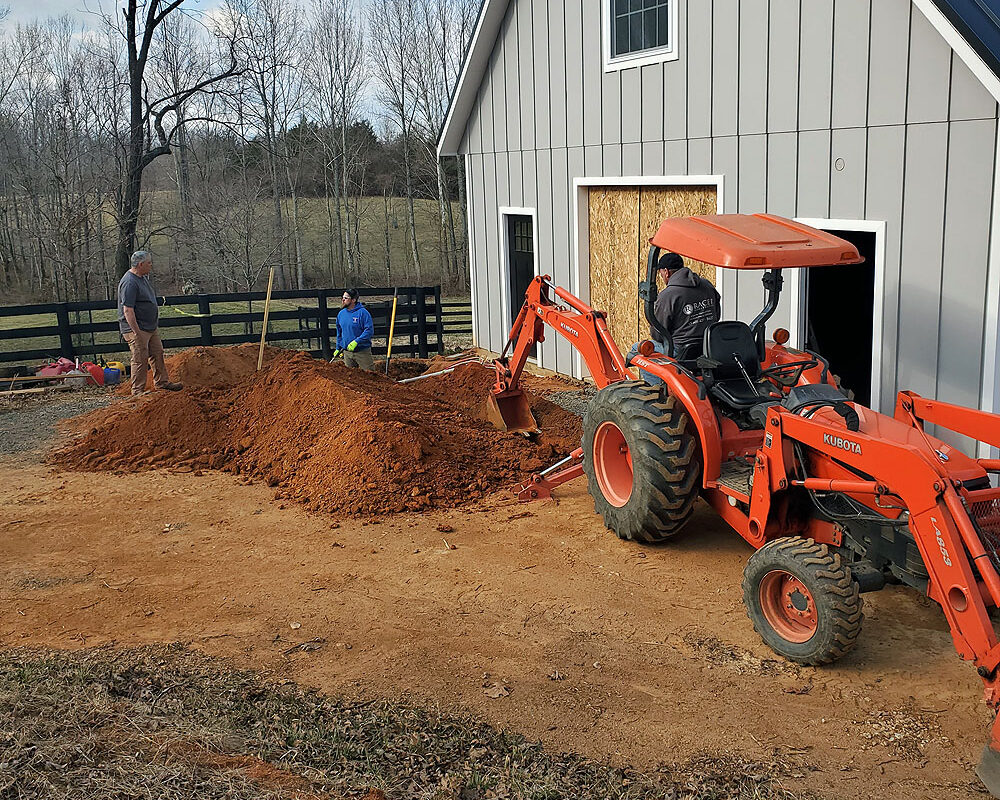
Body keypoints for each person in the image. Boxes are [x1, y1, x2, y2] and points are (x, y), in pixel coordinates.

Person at [117, 251, 183, 396]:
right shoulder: (129, 282)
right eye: (149, 263)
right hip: (137, 328)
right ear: (140, 265)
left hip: (150, 327)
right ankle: (137, 391)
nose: (151, 265)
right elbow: (128, 310)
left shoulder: (142, 278)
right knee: (140, 358)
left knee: (157, 352)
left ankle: (162, 382)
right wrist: (136, 331)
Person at [651, 251, 721, 359]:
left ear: (666, 272)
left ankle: (659, 377)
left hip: (680, 349)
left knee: (638, 351)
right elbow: (716, 313)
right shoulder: (706, 285)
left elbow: (659, 334)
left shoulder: (668, 295)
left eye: (661, 275)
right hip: (707, 346)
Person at [333, 288, 375, 371]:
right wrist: (338, 347)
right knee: (350, 377)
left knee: (370, 375)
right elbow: (339, 332)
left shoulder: (363, 313)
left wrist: (357, 341)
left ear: (353, 300)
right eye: (342, 298)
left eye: (346, 298)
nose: (343, 300)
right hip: (347, 353)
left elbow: (369, 330)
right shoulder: (341, 314)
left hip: (362, 351)